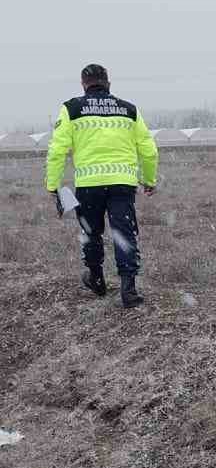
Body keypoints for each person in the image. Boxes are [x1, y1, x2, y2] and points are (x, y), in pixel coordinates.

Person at [45, 63, 159, 309]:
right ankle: (129, 289)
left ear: (83, 84)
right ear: (108, 83)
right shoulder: (129, 109)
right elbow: (149, 150)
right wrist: (149, 180)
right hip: (122, 184)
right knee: (123, 233)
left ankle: (96, 279)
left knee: (91, 232)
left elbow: (56, 151)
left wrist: (52, 185)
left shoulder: (71, 108)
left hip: (89, 185)